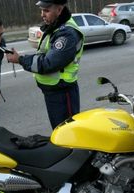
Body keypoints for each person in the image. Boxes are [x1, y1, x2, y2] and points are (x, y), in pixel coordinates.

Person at [7, 0, 84, 129]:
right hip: (54, 91)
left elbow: (48, 63)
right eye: (41, 10)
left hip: (62, 92)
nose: (42, 14)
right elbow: (44, 54)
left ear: (59, 10)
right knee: (59, 130)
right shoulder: (56, 28)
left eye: (46, 10)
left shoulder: (66, 34)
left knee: (68, 133)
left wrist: (20, 59)